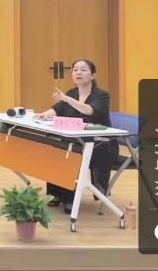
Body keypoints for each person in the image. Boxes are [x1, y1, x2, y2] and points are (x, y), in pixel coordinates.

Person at [32, 59, 117, 214]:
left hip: (99, 144)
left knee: (71, 154)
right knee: (57, 150)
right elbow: (58, 109)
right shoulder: (72, 93)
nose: (78, 72)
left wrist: (66, 98)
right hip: (75, 140)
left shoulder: (102, 95)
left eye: (83, 70)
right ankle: (57, 193)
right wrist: (44, 114)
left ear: (93, 75)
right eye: (75, 69)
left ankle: (70, 198)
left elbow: (89, 111)